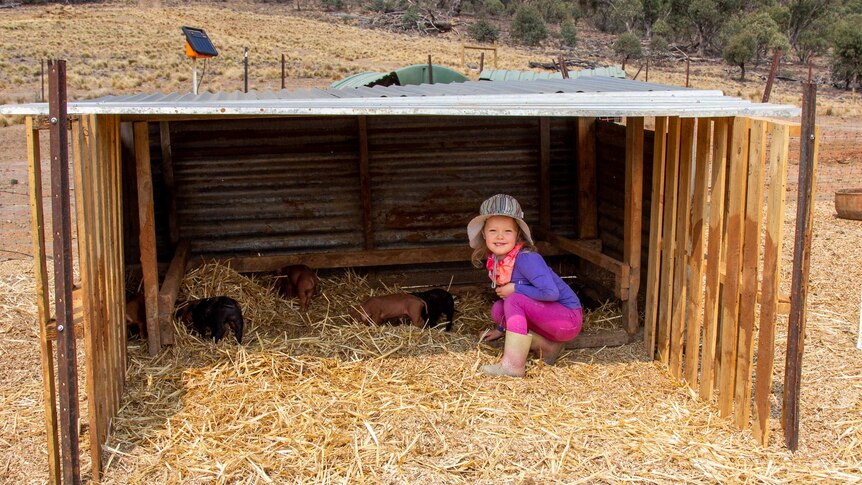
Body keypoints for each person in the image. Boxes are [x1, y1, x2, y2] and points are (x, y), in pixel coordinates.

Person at [467, 194, 583, 377]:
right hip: (550, 320)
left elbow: (551, 293)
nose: (500, 236)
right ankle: (548, 347)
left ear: (517, 235)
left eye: (507, 231)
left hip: (567, 319)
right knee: (499, 309)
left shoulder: (527, 258)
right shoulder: (500, 260)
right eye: (493, 231)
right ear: (483, 234)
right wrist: (500, 330)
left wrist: (515, 288)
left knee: (513, 300)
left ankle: (513, 366)